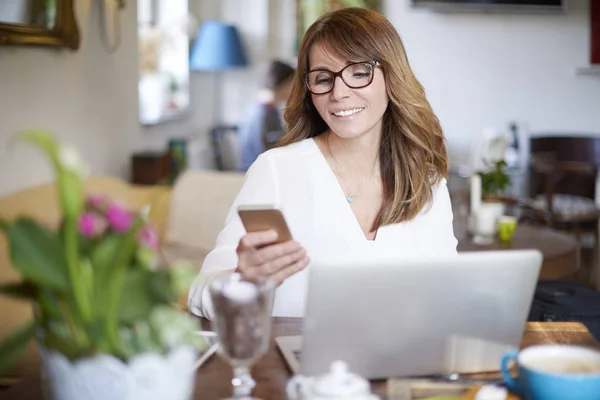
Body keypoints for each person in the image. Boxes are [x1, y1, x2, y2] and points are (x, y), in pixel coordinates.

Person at [188, 8, 457, 319]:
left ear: (392, 77)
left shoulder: (426, 182)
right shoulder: (277, 170)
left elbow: (447, 296)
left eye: (359, 73)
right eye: (323, 78)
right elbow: (201, 291)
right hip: (299, 366)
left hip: (403, 364)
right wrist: (242, 281)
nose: (339, 93)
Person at [238, 60, 296, 171]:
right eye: (292, 84)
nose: (293, 90)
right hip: (256, 173)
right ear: (284, 83)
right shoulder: (263, 114)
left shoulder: (263, 108)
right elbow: (266, 153)